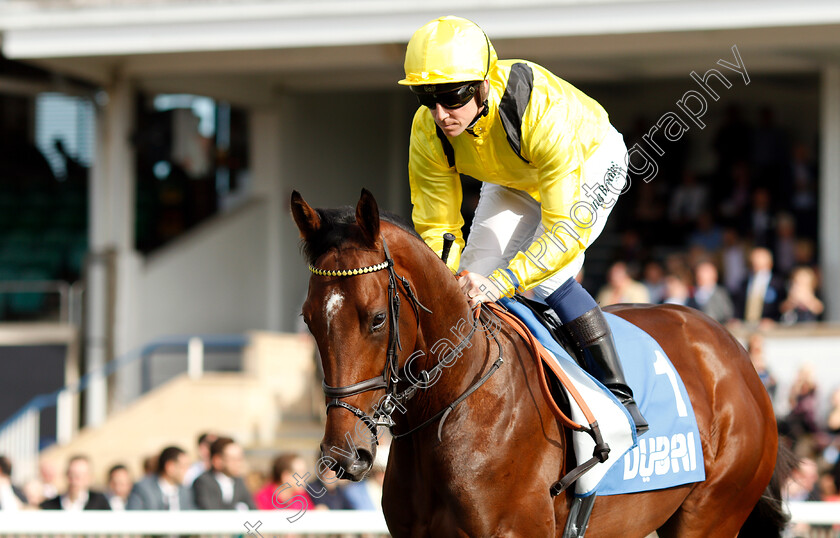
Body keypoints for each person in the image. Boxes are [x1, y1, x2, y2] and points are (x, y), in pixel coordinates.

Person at [400, 16, 648, 433]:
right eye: (427, 98)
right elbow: (437, 224)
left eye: (453, 96)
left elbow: (562, 231)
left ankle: (619, 396)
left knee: (547, 281)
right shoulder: (428, 130)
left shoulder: (537, 107)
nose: (441, 114)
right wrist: (448, 281)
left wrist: (504, 281)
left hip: (589, 161)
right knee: (467, 281)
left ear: (482, 84)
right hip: (513, 175)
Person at [192, 437, 254, 510]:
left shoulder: (239, 482)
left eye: (240, 459)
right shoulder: (203, 482)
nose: (238, 464)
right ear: (217, 460)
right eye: (234, 459)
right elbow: (209, 510)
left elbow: (252, 509)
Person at [127, 445, 194, 510]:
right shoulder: (143, 489)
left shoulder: (186, 492)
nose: (187, 471)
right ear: (170, 467)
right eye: (184, 467)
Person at [40, 455, 111, 510]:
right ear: (66, 475)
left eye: (80, 476)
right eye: (72, 475)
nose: (75, 481)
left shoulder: (100, 503)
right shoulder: (50, 505)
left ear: (89, 478)